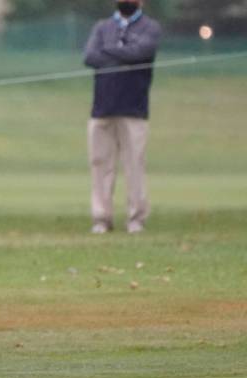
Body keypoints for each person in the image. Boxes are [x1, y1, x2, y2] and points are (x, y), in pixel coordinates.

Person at [84, 0, 161, 234]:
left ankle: (136, 218)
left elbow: (142, 52)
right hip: (102, 108)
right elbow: (90, 57)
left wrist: (108, 52)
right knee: (100, 164)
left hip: (134, 108)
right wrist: (123, 54)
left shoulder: (150, 27)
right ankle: (101, 218)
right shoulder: (102, 27)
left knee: (134, 164)